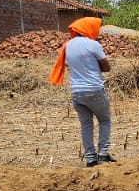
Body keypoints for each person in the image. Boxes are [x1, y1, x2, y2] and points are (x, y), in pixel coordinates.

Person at [48, 16, 116, 167]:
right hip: (94, 89)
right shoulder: (93, 45)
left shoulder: (68, 45)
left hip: (76, 92)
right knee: (104, 120)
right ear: (89, 29)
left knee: (86, 125)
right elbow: (107, 67)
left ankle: (90, 158)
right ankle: (103, 154)